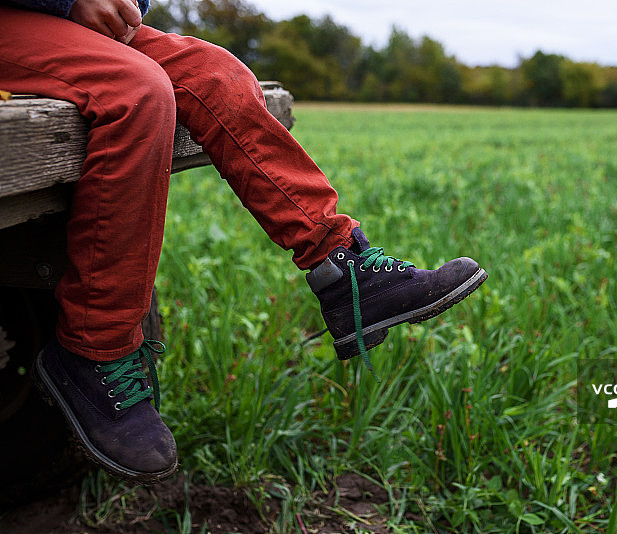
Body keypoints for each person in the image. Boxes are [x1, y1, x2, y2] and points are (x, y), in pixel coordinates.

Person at [0, 0, 487, 483]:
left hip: (60, 20)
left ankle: (342, 269)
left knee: (214, 72)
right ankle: (93, 349)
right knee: (137, 91)